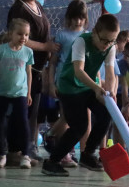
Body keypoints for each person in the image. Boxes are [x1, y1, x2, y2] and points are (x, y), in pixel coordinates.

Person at [42, 14, 120, 177]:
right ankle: (51, 162)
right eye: (104, 40)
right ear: (94, 33)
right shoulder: (81, 42)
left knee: (105, 115)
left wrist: (110, 90)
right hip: (69, 87)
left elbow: (111, 72)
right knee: (79, 127)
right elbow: (78, 71)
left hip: (88, 87)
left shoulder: (111, 47)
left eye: (111, 41)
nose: (107, 45)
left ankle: (87, 154)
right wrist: (97, 88)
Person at [6, 0, 58, 159]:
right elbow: (20, 40)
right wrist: (45, 46)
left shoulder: (38, 6)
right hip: (22, 67)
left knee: (33, 111)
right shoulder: (18, 9)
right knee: (21, 110)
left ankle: (28, 148)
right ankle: (14, 149)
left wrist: (50, 50)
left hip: (38, 68)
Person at [0, 18, 34, 169]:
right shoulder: (1, 50)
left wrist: (28, 93)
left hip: (20, 93)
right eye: (20, 34)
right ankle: (2, 154)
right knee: (0, 122)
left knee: (22, 122)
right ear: (10, 34)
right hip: (2, 92)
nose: (23, 38)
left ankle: (25, 155)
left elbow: (28, 73)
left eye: (26, 35)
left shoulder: (28, 52)